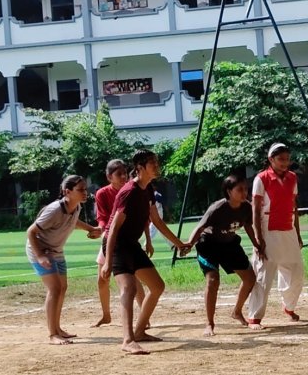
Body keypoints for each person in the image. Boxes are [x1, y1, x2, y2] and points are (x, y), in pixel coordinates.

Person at [101, 150, 188, 354]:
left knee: (157, 286)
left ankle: (139, 331)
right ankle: (127, 340)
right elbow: (113, 228)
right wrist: (107, 261)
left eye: (156, 162)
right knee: (129, 289)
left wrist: (178, 243)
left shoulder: (147, 189)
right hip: (117, 245)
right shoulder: (129, 191)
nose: (157, 166)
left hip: (131, 244)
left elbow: (156, 221)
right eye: (152, 163)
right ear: (139, 168)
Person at [25, 175, 102, 345]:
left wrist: (91, 228)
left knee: (62, 288)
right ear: (67, 191)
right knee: (55, 288)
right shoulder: (54, 210)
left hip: (56, 251)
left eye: (85, 189)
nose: (85, 193)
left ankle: (58, 328)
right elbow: (31, 232)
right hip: (40, 249)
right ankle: (53, 334)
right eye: (80, 189)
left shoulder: (75, 207)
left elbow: (74, 222)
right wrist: (40, 256)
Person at [183, 175, 261, 336]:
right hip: (208, 245)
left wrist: (257, 244)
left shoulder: (246, 207)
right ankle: (209, 323)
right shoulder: (217, 208)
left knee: (250, 279)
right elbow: (199, 227)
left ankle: (237, 312)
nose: (244, 192)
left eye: (246, 189)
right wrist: (189, 244)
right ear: (229, 191)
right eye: (240, 189)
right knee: (213, 281)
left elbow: (248, 226)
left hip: (230, 244)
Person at [248, 143, 304, 328]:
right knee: (264, 274)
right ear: (271, 159)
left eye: (287, 159)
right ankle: (254, 317)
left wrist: (298, 234)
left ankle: (288, 306)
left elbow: (294, 208)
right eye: (280, 159)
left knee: (296, 271)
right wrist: (258, 238)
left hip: (288, 230)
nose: (285, 162)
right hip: (267, 230)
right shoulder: (261, 178)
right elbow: (255, 210)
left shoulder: (292, 178)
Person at [92, 159, 146, 328]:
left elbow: (144, 216)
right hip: (110, 237)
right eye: (118, 174)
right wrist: (100, 229)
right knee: (102, 279)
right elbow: (102, 217)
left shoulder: (131, 189)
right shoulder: (102, 193)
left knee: (133, 278)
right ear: (109, 177)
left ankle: (145, 316)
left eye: (125, 172)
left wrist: (148, 240)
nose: (123, 176)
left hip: (125, 239)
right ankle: (106, 315)